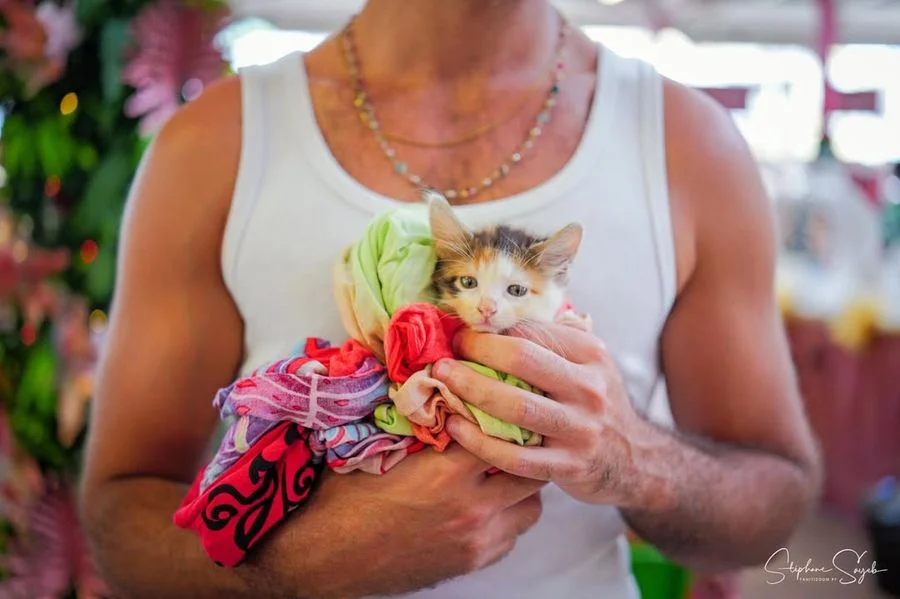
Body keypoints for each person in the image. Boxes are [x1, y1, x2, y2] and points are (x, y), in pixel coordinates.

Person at [79, 1, 823, 598]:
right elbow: (118, 515)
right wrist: (300, 566)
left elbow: (777, 503)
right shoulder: (215, 146)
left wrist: (633, 459)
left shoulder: (689, 147)